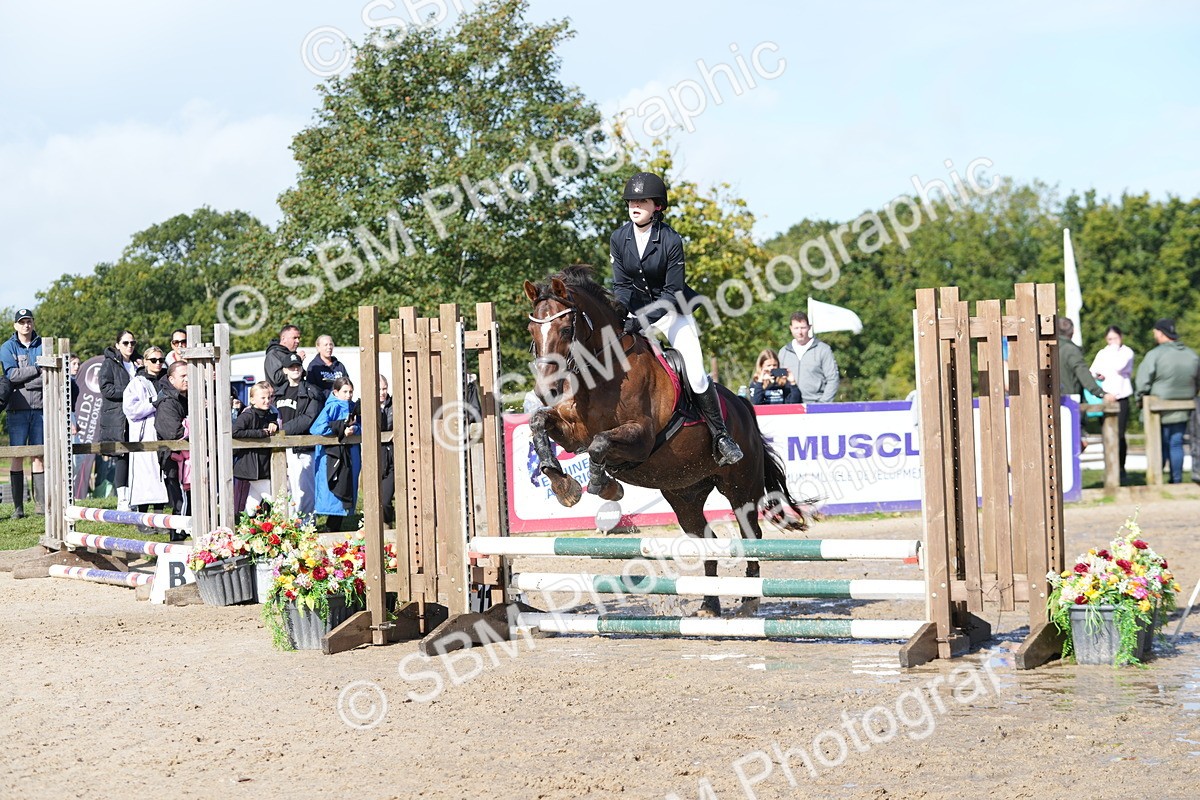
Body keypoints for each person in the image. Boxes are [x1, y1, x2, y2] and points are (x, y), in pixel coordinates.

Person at [610, 171, 742, 465]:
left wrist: (642, 321)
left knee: (694, 372)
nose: (635, 204)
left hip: (672, 313)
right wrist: (620, 312)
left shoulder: (670, 240)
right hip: (635, 312)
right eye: (631, 200)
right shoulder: (619, 237)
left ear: (657, 205)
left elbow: (672, 293)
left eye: (642, 200)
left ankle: (721, 435)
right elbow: (621, 285)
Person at [1135, 318, 1200, 484]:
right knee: (1176, 443)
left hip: (1157, 410)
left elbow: (1142, 381)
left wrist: (1139, 399)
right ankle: (1176, 480)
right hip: (1184, 408)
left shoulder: (1155, 355)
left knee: (1160, 444)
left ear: (1161, 333)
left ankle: (1157, 480)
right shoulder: (1191, 355)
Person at [0, 308, 44, 517]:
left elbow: (48, 376)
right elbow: (11, 376)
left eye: (29, 321)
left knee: (39, 456)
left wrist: (26, 377)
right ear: (15, 325)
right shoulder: (7, 347)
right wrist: (37, 369)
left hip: (40, 409)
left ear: (33, 323)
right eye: (22, 322)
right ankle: (18, 508)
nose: (26, 325)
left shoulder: (44, 344)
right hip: (16, 410)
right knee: (16, 456)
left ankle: (40, 507)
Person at [275, 352, 324, 522]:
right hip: (280, 448)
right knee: (285, 488)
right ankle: (287, 524)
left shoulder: (312, 392)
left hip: (303, 448)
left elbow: (308, 419)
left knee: (304, 489)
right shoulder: (277, 393)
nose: (295, 369)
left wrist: (280, 431)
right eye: (291, 367)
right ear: (284, 370)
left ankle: (306, 524)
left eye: (298, 366)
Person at [123, 345, 170, 519]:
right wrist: (153, 403)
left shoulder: (166, 381)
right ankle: (142, 519)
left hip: (165, 433)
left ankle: (159, 517)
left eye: (161, 360)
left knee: (161, 475)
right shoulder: (136, 383)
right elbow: (131, 410)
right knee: (145, 478)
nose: (158, 363)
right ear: (145, 362)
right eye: (153, 360)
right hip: (145, 434)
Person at [310, 376, 362, 531]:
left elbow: (362, 425)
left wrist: (355, 430)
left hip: (351, 453)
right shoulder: (331, 407)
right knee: (334, 486)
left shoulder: (354, 406)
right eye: (345, 392)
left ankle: (334, 527)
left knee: (347, 485)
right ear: (336, 392)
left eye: (351, 392)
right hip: (333, 455)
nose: (348, 395)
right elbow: (317, 428)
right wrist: (340, 428)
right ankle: (329, 528)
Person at [98, 330, 140, 511]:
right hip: (117, 416)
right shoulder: (109, 364)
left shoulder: (139, 363)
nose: (129, 346)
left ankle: (136, 496)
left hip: (137, 415)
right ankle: (122, 499)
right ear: (117, 345)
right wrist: (130, 393)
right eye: (125, 343)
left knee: (137, 455)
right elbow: (106, 389)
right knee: (122, 456)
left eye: (132, 343)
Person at [1089, 326, 1136, 483]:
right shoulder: (1102, 353)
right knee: (1107, 434)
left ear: (1120, 337)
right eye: (1109, 339)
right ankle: (1109, 467)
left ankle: (1121, 467)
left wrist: (1113, 350)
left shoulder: (1126, 352)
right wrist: (1098, 374)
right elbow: (1093, 370)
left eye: (1115, 338)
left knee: (1120, 434)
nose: (1112, 342)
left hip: (1121, 396)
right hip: (1105, 398)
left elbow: (1119, 366)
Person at [232, 381, 279, 515]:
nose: (267, 401)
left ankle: (244, 528)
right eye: (263, 398)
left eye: (269, 397)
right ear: (252, 400)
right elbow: (234, 431)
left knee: (253, 502)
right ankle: (290, 527)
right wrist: (259, 433)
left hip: (263, 464)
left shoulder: (270, 414)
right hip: (252, 466)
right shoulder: (247, 415)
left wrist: (274, 423)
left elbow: (274, 424)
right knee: (275, 499)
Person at [155, 361, 190, 537]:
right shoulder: (167, 402)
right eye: (183, 376)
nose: (187, 379)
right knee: (179, 502)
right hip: (172, 458)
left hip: (188, 460)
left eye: (189, 375)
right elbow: (174, 432)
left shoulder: (188, 397)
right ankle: (177, 536)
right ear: (171, 379)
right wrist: (192, 426)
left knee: (189, 500)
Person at [777, 312, 839, 403]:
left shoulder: (823, 349)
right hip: (790, 405)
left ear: (809, 327)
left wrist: (823, 404)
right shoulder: (784, 352)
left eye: (803, 328)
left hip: (815, 403)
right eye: (796, 328)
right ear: (790, 328)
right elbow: (779, 379)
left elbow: (833, 379)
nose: (800, 332)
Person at [264, 324, 302, 395]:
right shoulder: (274, 354)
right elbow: (277, 378)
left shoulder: (292, 354)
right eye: (294, 338)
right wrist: (295, 362)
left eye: (299, 338)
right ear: (284, 339)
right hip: (279, 399)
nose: (298, 341)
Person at [379, 375, 395, 526]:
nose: (382, 392)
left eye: (384, 388)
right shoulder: (367, 406)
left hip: (393, 456)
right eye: (379, 389)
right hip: (377, 456)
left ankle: (387, 523)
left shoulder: (395, 405)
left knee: (385, 498)